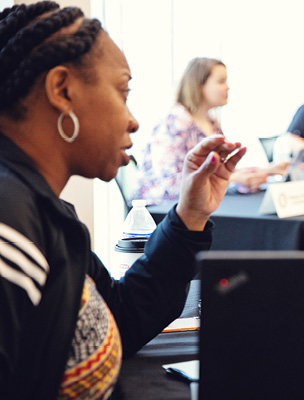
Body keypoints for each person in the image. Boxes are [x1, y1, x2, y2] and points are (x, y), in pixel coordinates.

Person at [0, 2, 245, 398]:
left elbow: (123, 316)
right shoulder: (10, 218)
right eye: (122, 91)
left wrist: (190, 213)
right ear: (62, 90)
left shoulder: (45, 211)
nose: (132, 119)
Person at [133, 57, 287, 204]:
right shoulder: (174, 121)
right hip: (160, 207)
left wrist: (266, 170)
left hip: (194, 203)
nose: (228, 87)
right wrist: (233, 180)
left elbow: (219, 170)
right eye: (221, 81)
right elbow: (169, 183)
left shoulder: (211, 123)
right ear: (199, 85)